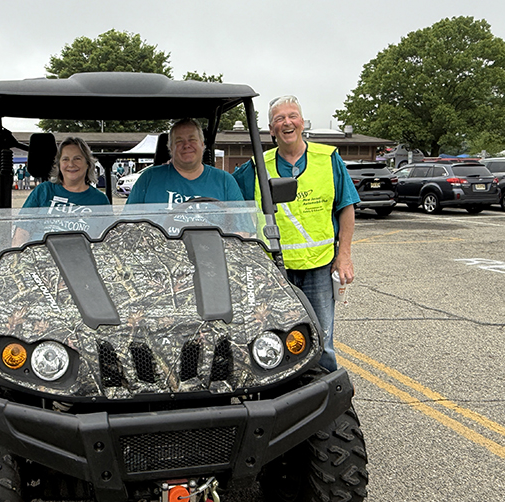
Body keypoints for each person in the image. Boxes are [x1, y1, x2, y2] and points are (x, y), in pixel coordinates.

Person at [233, 95, 359, 373]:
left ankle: (325, 396)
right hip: (273, 271)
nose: (287, 122)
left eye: (292, 116)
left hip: (319, 267)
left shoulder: (328, 159)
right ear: (271, 129)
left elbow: (346, 207)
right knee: (272, 338)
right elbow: (232, 204)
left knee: (321, 339)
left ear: (302, 123)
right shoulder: (256, 166)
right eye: (279, 119)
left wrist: (344, 256)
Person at [126, 118, 243, 206]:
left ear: (202, 145)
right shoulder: (148, 179)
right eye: (179, 141)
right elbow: (126, 227)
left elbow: (242, 231)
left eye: (192, 140)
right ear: (170, 148)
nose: (186, 145)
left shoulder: (225, 182)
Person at [13, 137, 108, 246]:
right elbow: (22, 231)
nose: (71, 164)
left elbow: (105, 242)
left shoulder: (100, 200)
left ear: (87, 163)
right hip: (40, 258)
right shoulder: (44, 190)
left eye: (77, 158)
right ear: (59, 164)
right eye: (65, 159)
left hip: (80, 260)